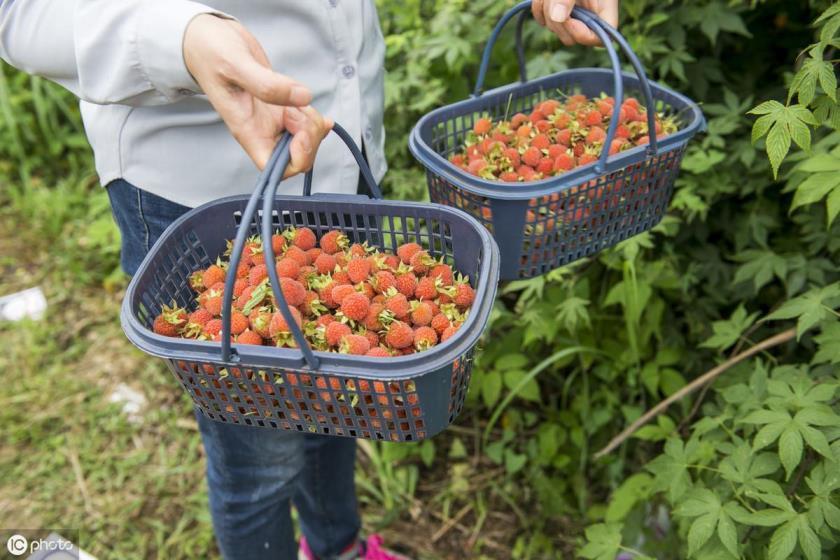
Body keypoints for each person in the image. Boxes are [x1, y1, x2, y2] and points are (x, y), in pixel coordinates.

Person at [0, 1, 617, 558]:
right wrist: (182, 37)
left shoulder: (351, 290)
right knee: (259, 462)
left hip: (339, 171)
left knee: (343, 403)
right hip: (196, 193)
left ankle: (338, 549)